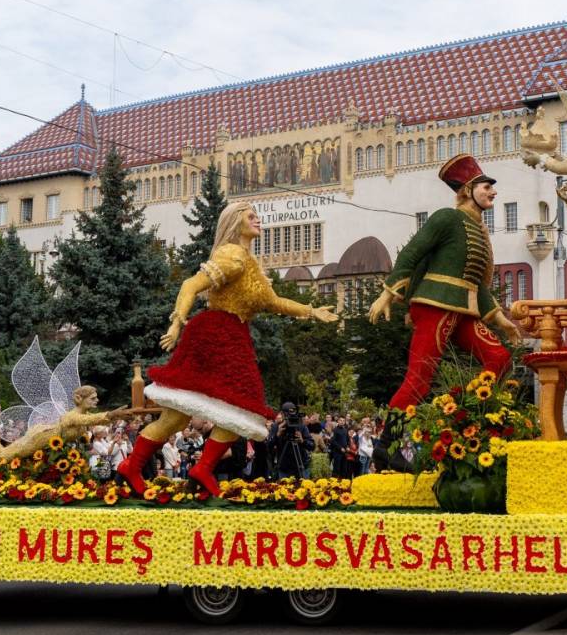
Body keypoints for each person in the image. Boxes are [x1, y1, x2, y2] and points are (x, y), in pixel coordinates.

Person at [116, 202, 338, 496]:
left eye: (257, 216)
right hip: (214, 335)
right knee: (224, 410)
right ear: (235, 223)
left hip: (234, 337)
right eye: (250, 216)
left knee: (219, 413)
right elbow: (190, 285)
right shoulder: (232, 255)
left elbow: (276, 303)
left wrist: (311, 311)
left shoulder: (251, 265)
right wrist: (177, 323)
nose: (257, 220)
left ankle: (179, 467)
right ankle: (153, 466)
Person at [369, 154, 519, 470]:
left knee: (500, 360)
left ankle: (460, 413)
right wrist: (388, 292)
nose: (492, 192)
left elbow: (476, 282)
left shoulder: (479, 229)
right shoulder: (446, 218)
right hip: (435, 306)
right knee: (419, 378)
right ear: (467, 189)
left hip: (464, 310)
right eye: (486, 186)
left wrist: (502, 321)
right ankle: (387, 447)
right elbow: (412, 253)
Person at [267, 403, 314, 479]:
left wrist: (302, 441)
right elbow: (268, 447)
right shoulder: (276, 426)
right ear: (282, 414)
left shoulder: (301, 426)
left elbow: (312, 446)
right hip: (284, 468)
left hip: (301, 466)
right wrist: (277, 435)